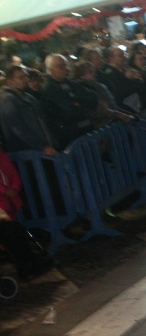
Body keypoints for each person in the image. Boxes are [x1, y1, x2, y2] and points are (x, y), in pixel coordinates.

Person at [0, 149, 52, 281]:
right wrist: (5, 190)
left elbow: (13, 174)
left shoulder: (2, 156)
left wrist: (14, 188)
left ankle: (27, 264)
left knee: (14, 232)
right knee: (11, 232)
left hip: (8, 202)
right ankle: (26, 266)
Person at [40, 54, 98, 148]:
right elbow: (68, 110)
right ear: (50, 69)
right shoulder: (49, 89)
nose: (64, 68)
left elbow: (93, 99)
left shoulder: (71, 83)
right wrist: (81, 105)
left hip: (86, 130)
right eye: (59, 66)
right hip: (71, 137)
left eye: (65, 65)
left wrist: (79, 103)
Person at [0, 66, 58, 153]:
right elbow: (19, 129)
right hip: (27, 154)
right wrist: (42, 146)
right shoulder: (7, 101)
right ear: (10, 82)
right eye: (20, 78)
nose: (25, 80)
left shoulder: (28, 97)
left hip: (41, 150)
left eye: (25, 76)